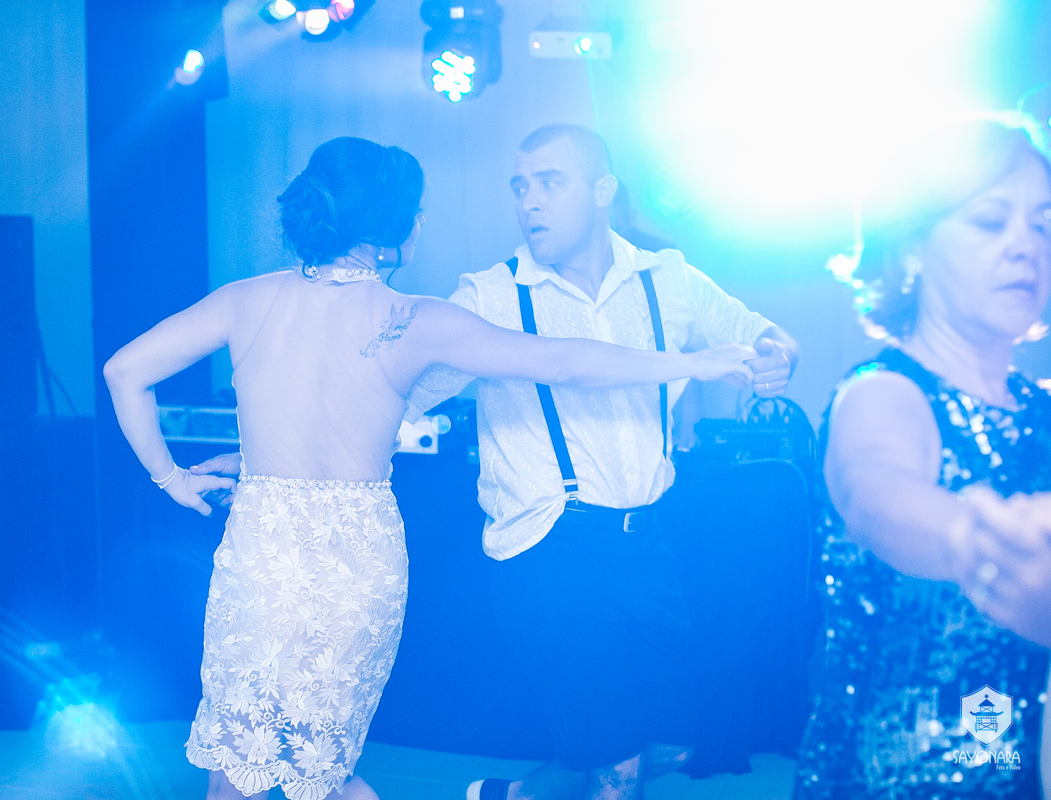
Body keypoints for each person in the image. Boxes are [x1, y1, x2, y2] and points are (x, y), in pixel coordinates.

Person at [103, 136, 760, 800]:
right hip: (359, 556)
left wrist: (172, 478)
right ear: (399, 228)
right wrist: (693, 363)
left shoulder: (245, 300)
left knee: (241, 766)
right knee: (321, 768)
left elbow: (124, 372)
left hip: (263, 545)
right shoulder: (415, 320)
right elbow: (565, 362)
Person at [396, 123, 799, 800]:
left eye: (550, 183)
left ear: (602, 190)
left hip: (645, 537)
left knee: (672, 743)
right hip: (546, 543)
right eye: (520, 186)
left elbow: (763, 333)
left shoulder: (668, 279)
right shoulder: (491, 296)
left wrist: (777, 357)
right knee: (619, 763)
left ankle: (517, 795)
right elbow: (401, 392)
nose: (529, 201)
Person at [794, 117, 1051, 799]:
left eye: (1044, 224)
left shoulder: (1042, 409)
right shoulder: (882, 392)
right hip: (894, 780)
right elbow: (875, 495)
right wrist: (987, 545)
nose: (1026, 245)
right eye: (991, 221)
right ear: (912, 249)